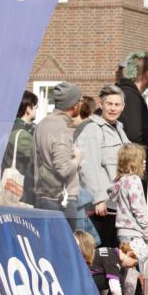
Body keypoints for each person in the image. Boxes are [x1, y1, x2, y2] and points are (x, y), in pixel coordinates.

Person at [76, 85, 129, 247]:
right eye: (109, 104)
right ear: (101, 105)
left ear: (123, 107)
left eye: (117, 104)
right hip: (101, 206)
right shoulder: (93, 129)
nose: (113, 108)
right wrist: (98, 199)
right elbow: (88, 167)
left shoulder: (120, 129)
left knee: (113, 253)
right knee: (101, 253)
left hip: (117, 204)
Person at [109, 143, 148, 295]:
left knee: (127, 269)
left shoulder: (120, 181)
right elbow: (138, 207)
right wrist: (147, 229)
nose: (144, 163)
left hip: (122, 230)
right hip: (134, 232)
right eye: (142, 160)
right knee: (132, 271)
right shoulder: (133, 181)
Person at [33, 82, 82, 229]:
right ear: (73, 105)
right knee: (63, 249)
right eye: (80, 101)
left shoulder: (42, 124)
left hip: (42, 196)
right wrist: (77, 159)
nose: (81, 104)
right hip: (60, 201)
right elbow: (64, 169)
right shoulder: (61, 130)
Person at [117, 51, 148, 152]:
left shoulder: (127, 93)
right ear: (147, 75)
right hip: (132, 161)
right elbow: (134, 135)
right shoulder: (131, 97)